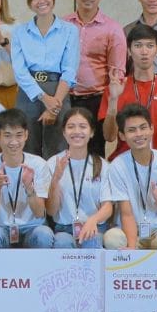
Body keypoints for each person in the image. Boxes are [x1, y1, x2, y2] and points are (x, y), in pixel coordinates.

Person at [100, 105, 157, 251]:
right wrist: (131, 246)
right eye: (132, 130)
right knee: (112, 238)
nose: (139, 134)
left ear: (152, 129)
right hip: (130, 230)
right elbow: (126, 212)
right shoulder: (117, 166)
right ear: (122, 136)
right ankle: (133, 267)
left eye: (143, 128)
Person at [10, 0, 79, 157]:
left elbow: (70, 70)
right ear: (29, 3)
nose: (41, 1)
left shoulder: (70, 30)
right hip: (29, 93)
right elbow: (20, 71)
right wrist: (43, 98)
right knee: (26, 147)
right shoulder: (19, 32)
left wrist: (54, 103)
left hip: (59, 91)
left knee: (58, 149)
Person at [64, 0, 126, 157]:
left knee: (93, 155)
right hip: (64, 98)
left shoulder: (112, 28)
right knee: (63, 152)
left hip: (96, 100)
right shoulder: (62, 24)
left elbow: (117, 72)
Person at [102, 22, 157, 158]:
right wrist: (114, 101)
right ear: (129, 50)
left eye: (150, 46)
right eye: (138, 45)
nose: (144, 51)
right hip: (125, 163)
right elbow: (109, 136)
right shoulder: (116, 88)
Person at [0, 109, 55, 249]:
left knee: (44, 234)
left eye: (19, 135)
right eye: (7, 135)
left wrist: (29, 189)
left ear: (26, 135)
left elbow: (40, 213)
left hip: (32, 228)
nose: (14, 142)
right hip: (2, 228)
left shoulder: (39, 164)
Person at [43, 107, 113, 249]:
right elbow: (51, 210)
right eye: (71, 127)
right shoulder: (52, 163)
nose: (76, 132)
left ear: (92, 132)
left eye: (83, 127)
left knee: (92, 240)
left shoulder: (102, 165)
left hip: (94, 227)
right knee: (62, 242)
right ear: (63, 132)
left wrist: (93, 220)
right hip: (64, 228)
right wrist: (55, 180)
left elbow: (108, 207)